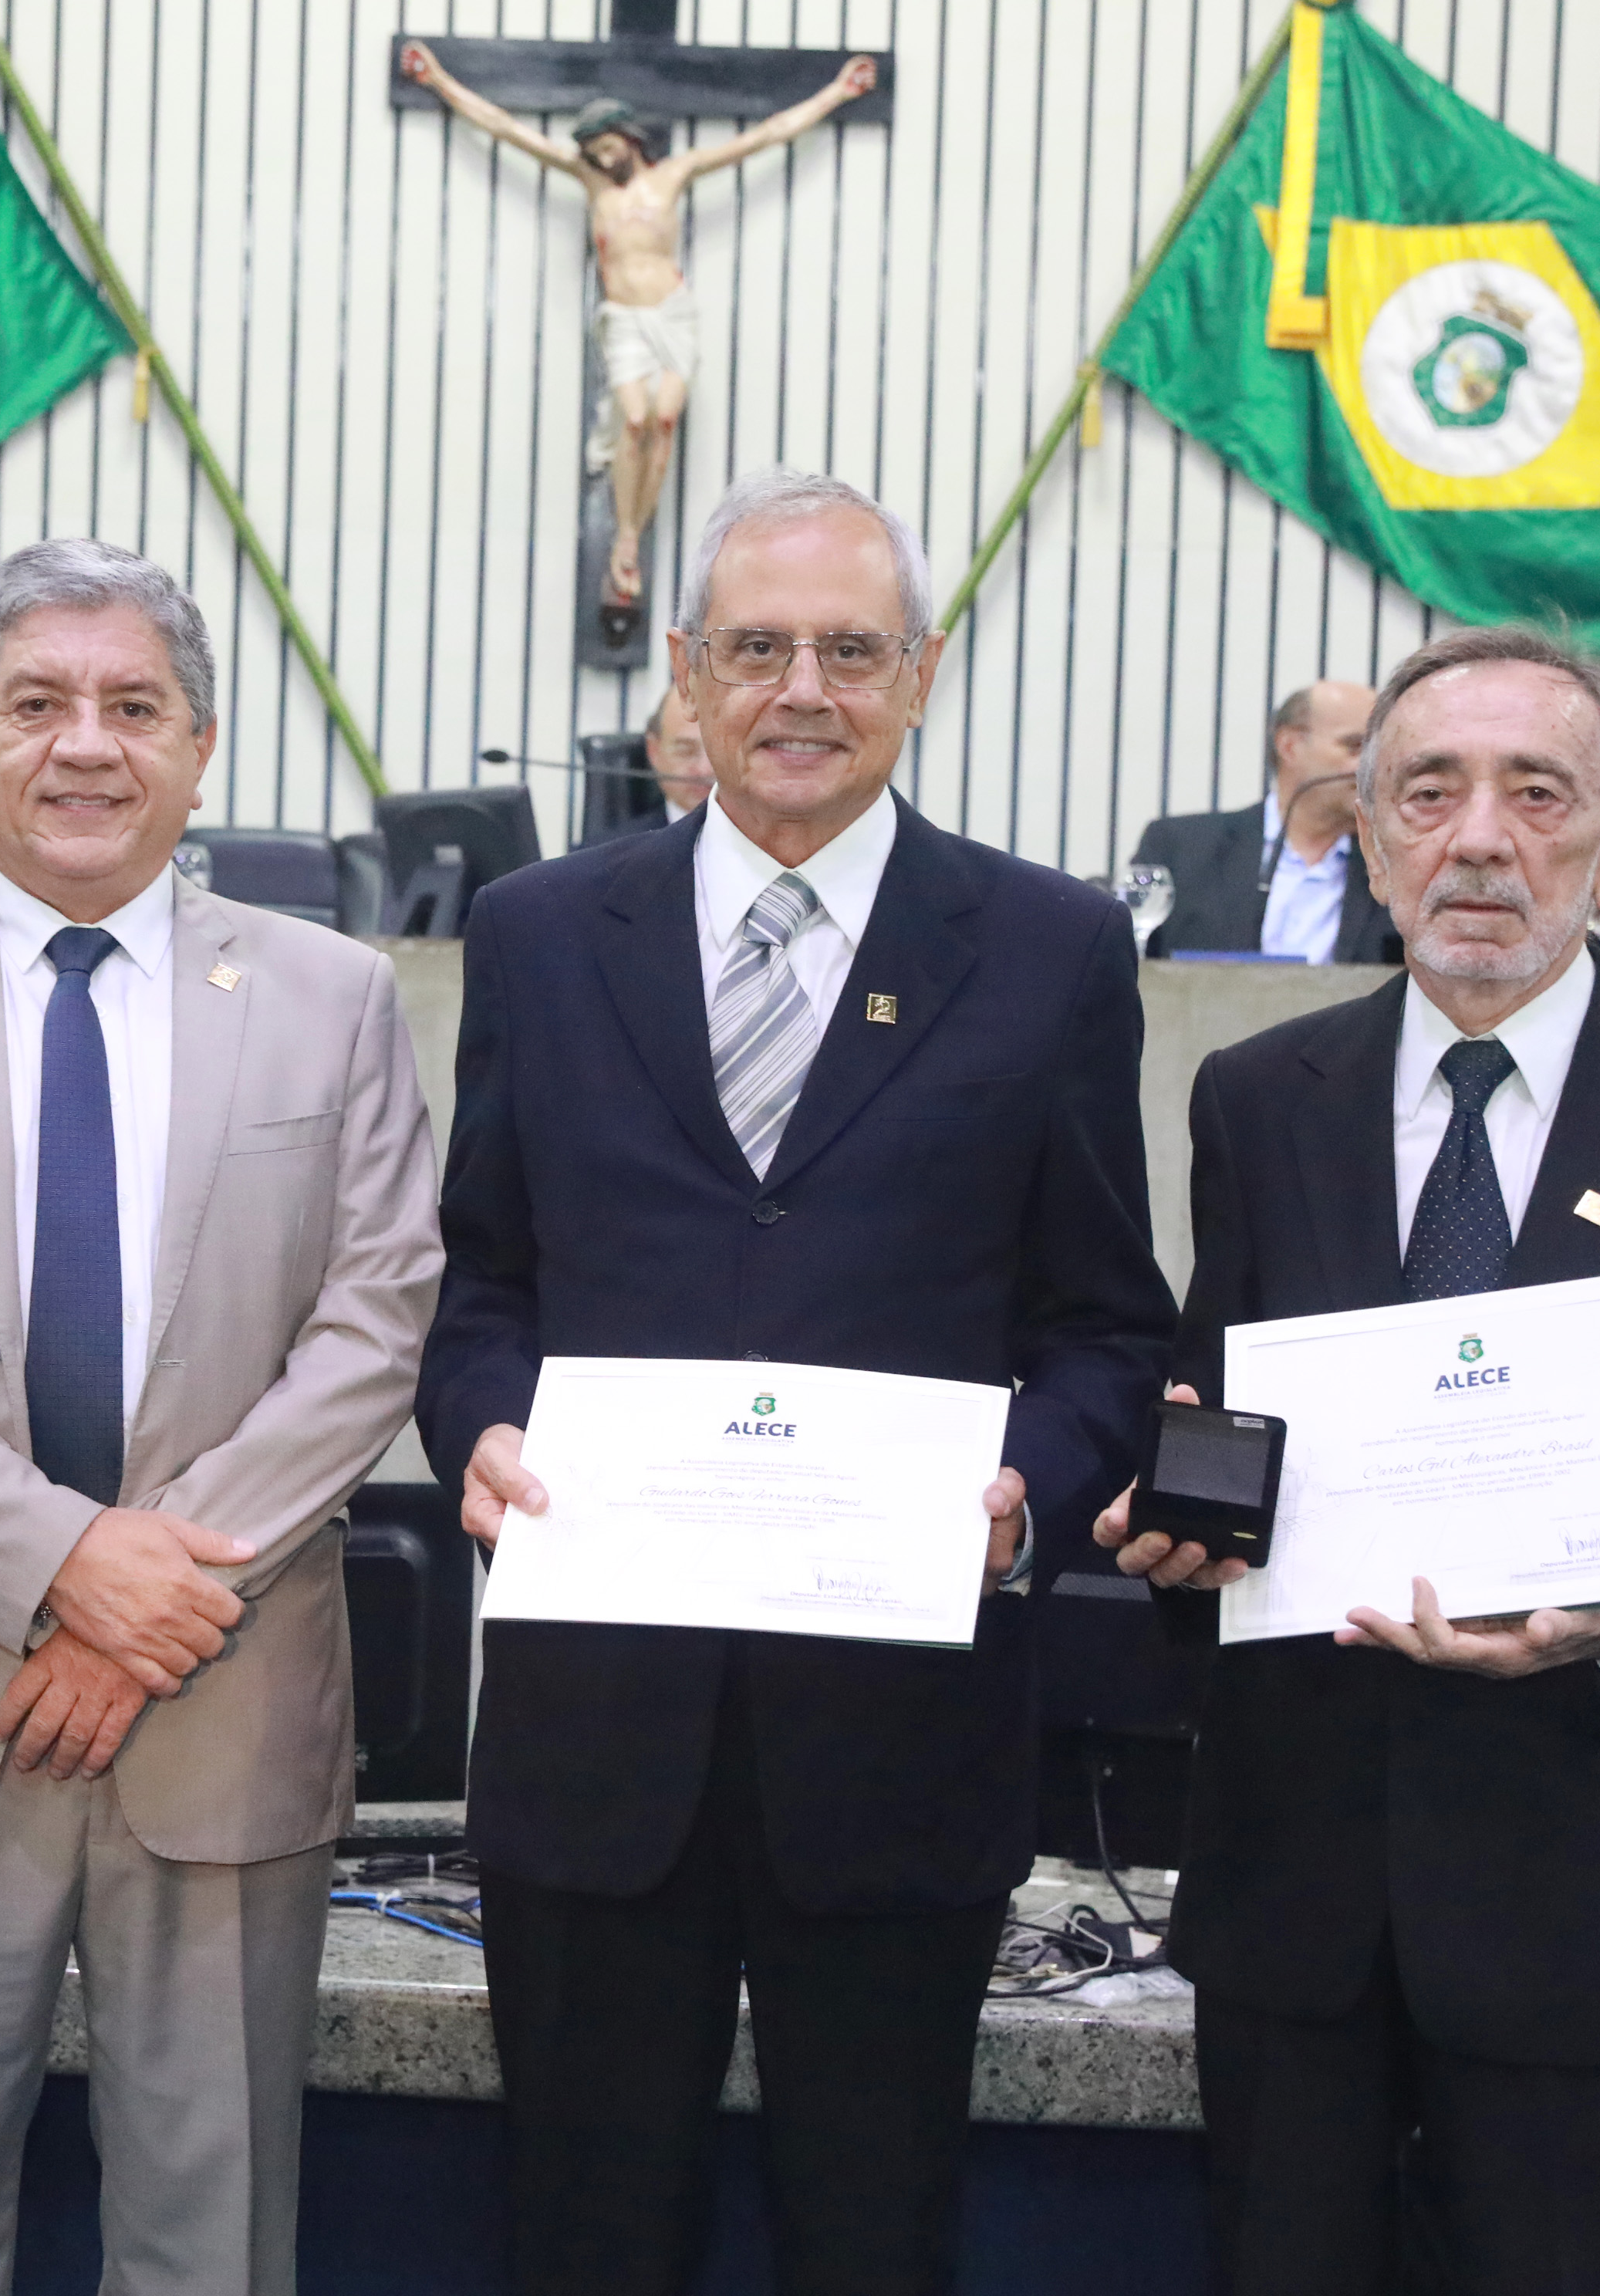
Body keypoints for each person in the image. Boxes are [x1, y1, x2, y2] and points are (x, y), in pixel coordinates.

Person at [417, 468, 1176, 2296]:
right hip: (600, 1749)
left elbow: (1103, 1325)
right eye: (756, 649)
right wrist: (482, 1429)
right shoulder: (537, 933)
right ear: (686, 670)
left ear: (922, 671)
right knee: (585, 2242)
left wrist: (1027, 1496)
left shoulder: (1053, 948)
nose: (802, 691)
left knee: (871, 2238)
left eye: (851, 649)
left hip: (900, 1749)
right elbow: (484, 1284)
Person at [1096, 624, 1600, 2295]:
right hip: (1295, 1917)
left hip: (1588, 1917)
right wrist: (1173, 1524)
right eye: (1426, 793)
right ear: (1368, 839)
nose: (1477, 839)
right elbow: (1223, 1417)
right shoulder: (1259, 1099)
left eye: (1535, 794)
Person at [0, 538, 442, 2296]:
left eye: (134, 705)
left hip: (219, 1705)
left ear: (199, 749)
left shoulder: (333, 996)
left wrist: (146, 1606)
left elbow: (375, 1325)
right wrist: (66, 1566)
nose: (86, 744)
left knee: (214, 2250)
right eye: (36, 703)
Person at [398, 42, 874, 629]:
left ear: (629, 138)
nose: (603, 157)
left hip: (672, 313)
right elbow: (504, 128)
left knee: (665, 421)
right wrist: (439, 80)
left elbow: (766, 136)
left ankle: (633, 531)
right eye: (594, 151)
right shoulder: (591, 183)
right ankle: (627, 538)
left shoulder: (674, 175)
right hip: (624, 318)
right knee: (634, 418)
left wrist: (837, 92)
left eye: (609, 146)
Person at [1126, 680, 1398, 964]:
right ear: (1290, 747)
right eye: (1355, 747)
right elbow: (1133, 965)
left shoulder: (1393, 861)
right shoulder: (1181, 848)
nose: (1373, 768)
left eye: (1381, 752)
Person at [593, 688, 714, 842]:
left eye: (716, 752)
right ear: (654, 751)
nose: (705, 770)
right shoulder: (607, 851)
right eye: (686, 752)